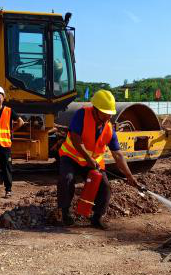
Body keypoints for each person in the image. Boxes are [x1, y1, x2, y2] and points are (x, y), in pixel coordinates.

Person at [58, 89, 139, 230]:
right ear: (95, 109)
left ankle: (97, 218)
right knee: (67, 179)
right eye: (105, 112)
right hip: (71, 157)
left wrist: (129, 176)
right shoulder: (82, 114)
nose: (108, 116)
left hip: (92, 162)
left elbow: (118, 154)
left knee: (105, 187)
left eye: (110, 113)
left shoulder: (109, 129)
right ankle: (65, 213)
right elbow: (76, 139)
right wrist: (88, 158)